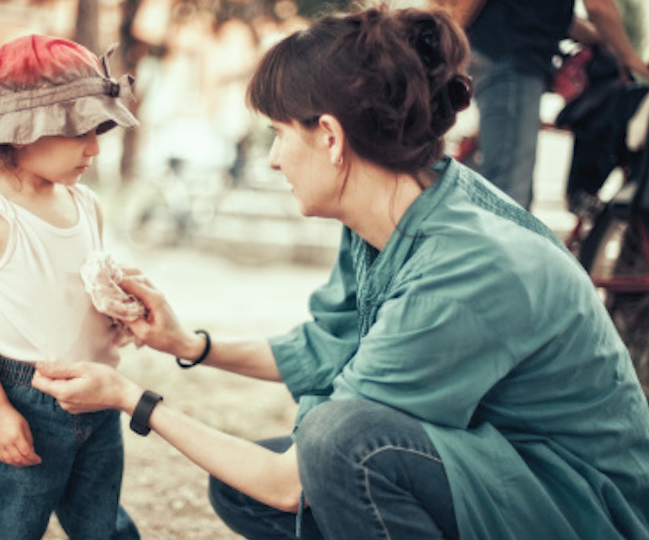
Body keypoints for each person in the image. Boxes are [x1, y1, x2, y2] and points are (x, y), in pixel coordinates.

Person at [32, 5, 649, 540]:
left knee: (336, 445)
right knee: (242, 483)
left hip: (583, 509)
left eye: (277, 134)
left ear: (328, 136)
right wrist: (188, 344)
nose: (273, 160)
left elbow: (289, 479)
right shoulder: (393, 210)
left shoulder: (469, 264)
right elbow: (323, 350)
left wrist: (128, 398)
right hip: (506, 468)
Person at [0, 34, 140, 540]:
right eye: (79, 131)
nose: (95, 148)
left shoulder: (87, 205)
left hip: (97, 397)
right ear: (20, 132)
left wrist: (119, 311)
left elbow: (86, 288)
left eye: (98, 129)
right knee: (8, 524)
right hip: (24, 399)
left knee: (102, 523)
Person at [435, 0, 649, 210]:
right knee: (509, 196)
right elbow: (598, 5)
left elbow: (546, 13)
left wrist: (601, 38)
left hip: (503, 54)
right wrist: (629, 56)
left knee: (502, 185)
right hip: (510, 58)